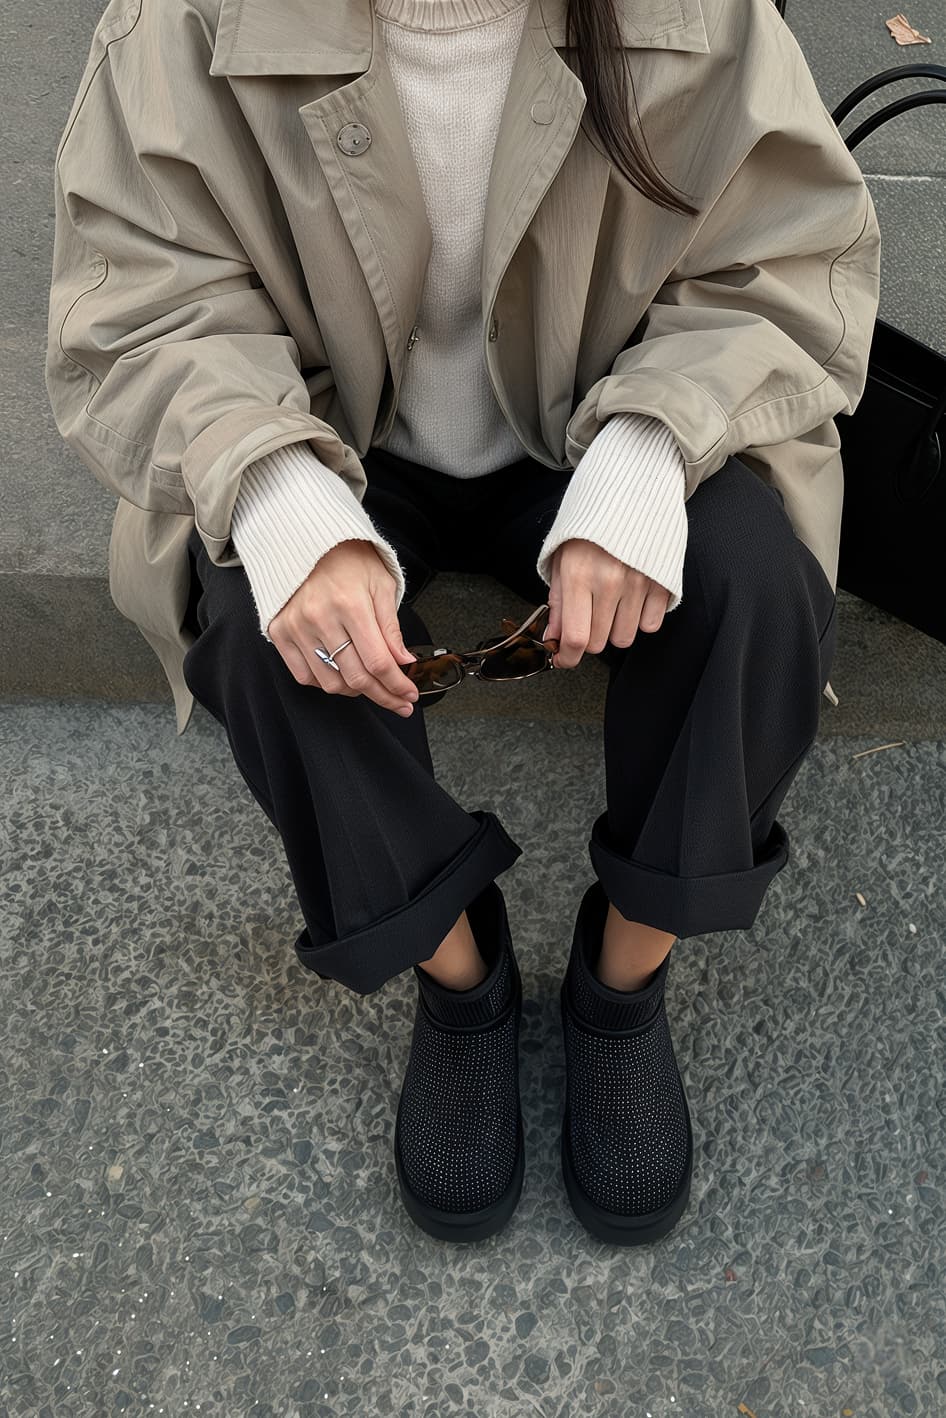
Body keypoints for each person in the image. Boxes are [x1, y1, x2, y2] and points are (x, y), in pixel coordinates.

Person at [45, 0, 881, 1246]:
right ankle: (457, 971)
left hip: (606, 399)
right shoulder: (181, 18)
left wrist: (648, 445)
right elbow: (143, 299)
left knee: (753, 583)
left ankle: (623, 978)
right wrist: (277, 487)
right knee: (258, 616)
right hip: (330, 424)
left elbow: (785, 259)